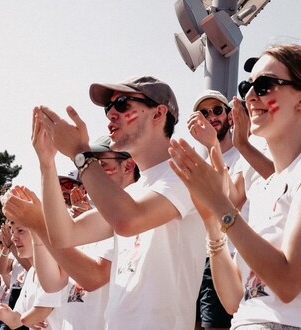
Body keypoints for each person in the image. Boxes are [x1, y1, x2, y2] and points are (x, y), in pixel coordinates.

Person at [169, 44, 301, 329]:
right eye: (248, 85)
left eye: (265, 85)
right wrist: (212, 225)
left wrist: (222, 206)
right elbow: (234, 300)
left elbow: (287, 281)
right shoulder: (266, 186)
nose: (250, 95)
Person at [34, 75, 206, 329]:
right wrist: (46, 164)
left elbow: (129, 220)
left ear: (159, 113)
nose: (111, 114)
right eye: (108, 107)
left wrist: (80, 155)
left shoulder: (185, 173)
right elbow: (63, 235)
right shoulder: (134, 192)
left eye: (123, 103)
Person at [1, 136, 138, 330]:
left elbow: (94, 277)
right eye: (87, 165)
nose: (90, 172)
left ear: (127, 167)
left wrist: (38, 222)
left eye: (100, 164)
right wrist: (46, 163)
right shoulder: (88, 223)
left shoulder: (131, 216)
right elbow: (53, 283)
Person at [188, 90, 248, 330]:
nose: (211, 116)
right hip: (203, 258)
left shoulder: (246, 154)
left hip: (232, 256)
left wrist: (213, 145)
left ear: (229, 116)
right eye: (204, 113)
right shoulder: (196, 164)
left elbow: (234, 199)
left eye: (217, 110)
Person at [0, 221, 62, 330]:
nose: (13, 238)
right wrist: (5, 316)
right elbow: (16, 321)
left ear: (40, 232)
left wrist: (25, 319)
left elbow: (38, 314)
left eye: (20, 231)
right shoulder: (32, 272)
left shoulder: (54, 268)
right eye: (12, 232)